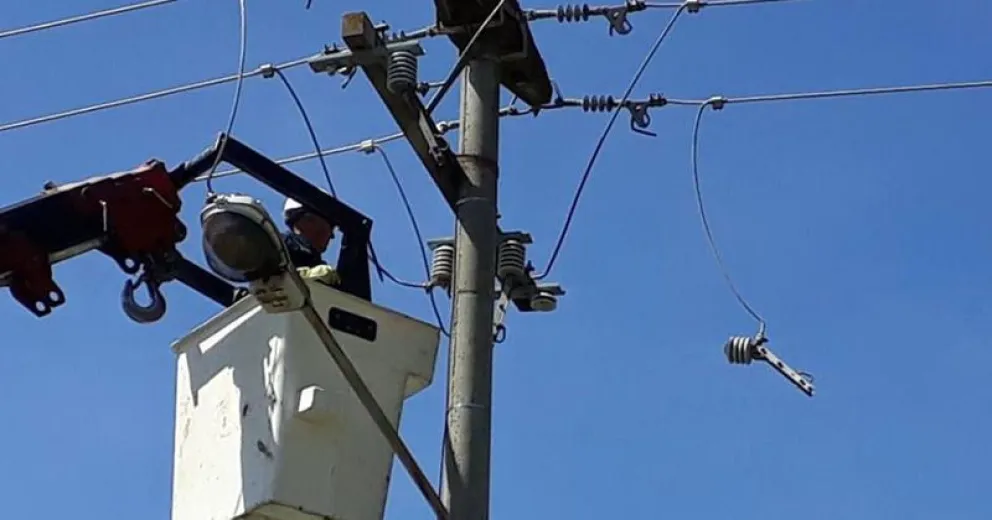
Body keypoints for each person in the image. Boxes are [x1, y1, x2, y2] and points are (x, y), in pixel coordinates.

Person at [282, 197, 340, 285]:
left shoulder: (323, 271)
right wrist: (303, 276)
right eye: (331, 226)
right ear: (309, 219)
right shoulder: (277, 245)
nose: (332, 236)